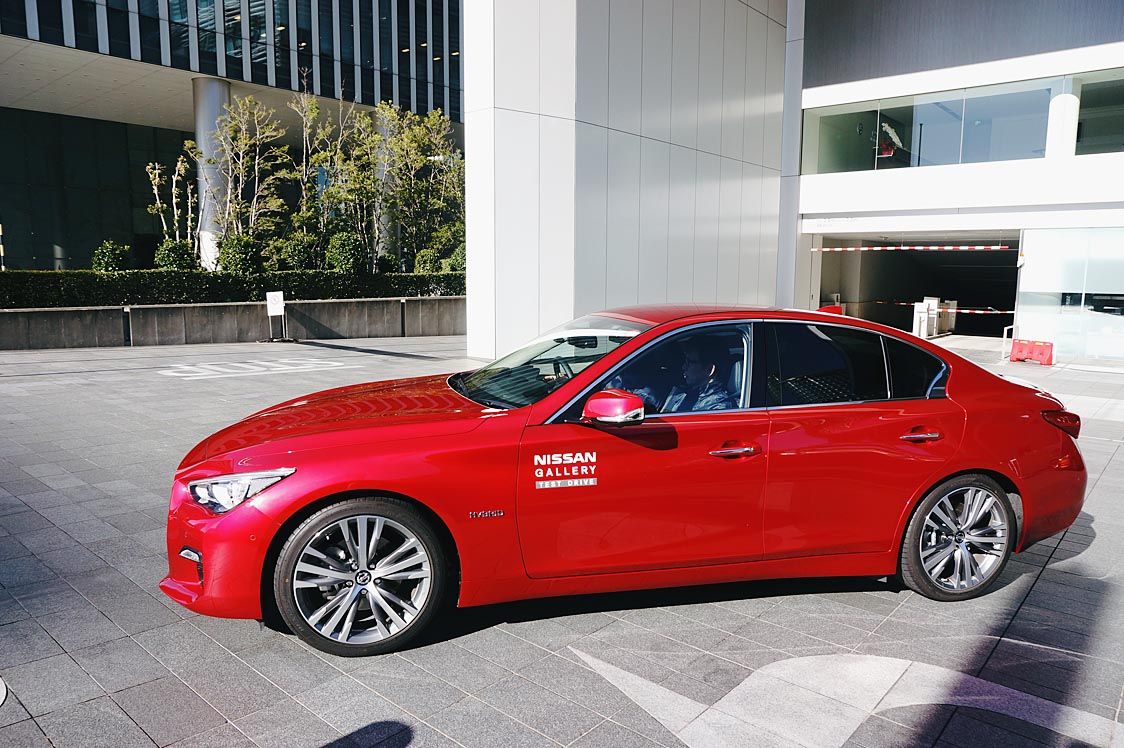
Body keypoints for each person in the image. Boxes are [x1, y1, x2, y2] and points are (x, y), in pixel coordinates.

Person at [660, 338, 736, 413]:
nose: (684, 367)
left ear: (709, 370)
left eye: (690, 362)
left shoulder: (719, 408)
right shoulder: (684, 394)